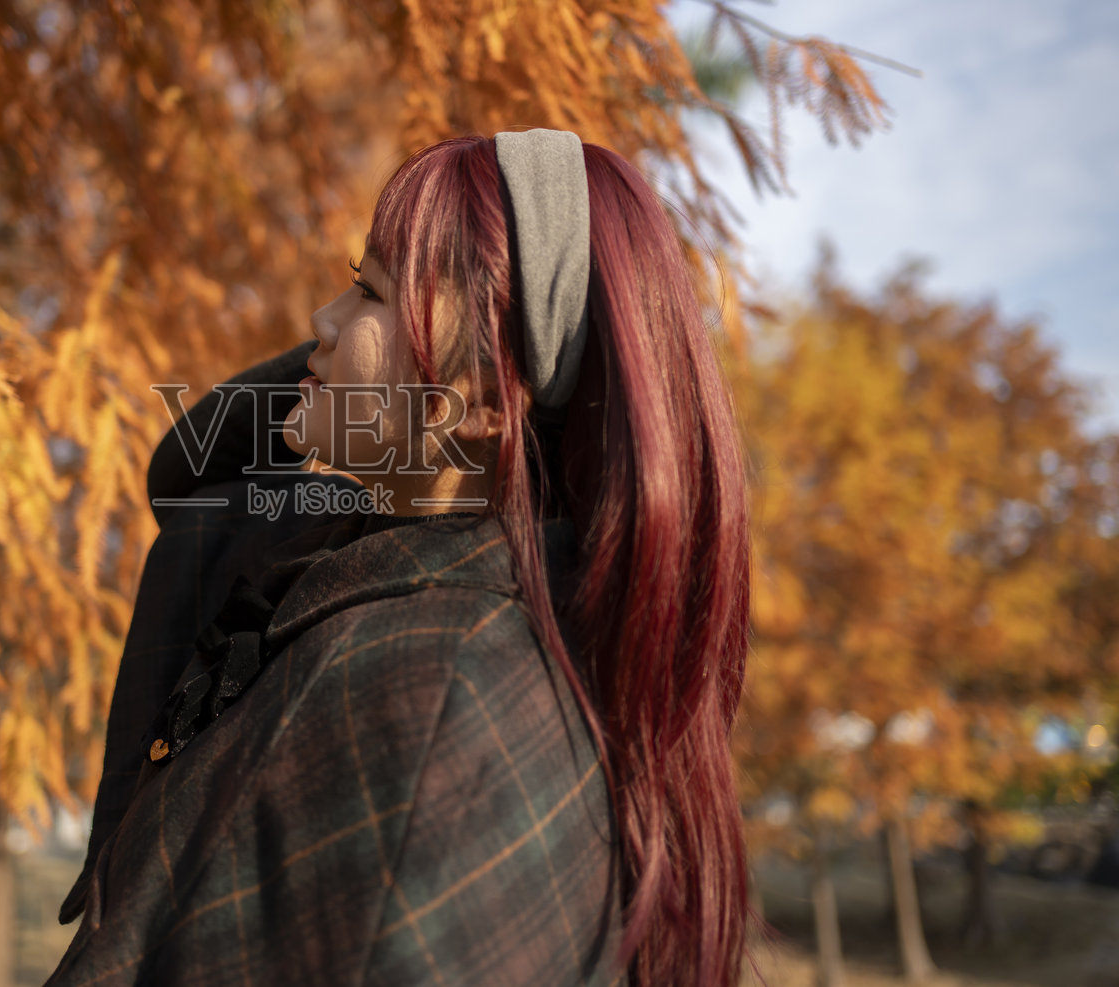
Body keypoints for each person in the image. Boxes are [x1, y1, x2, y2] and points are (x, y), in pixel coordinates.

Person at [46, 130, 751, 986]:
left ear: (487, 399)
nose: (321, 320)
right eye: (354, 283)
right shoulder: (372, 551)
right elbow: (193, 481)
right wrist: (393, 371)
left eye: (369, 293)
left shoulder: (443, 691)